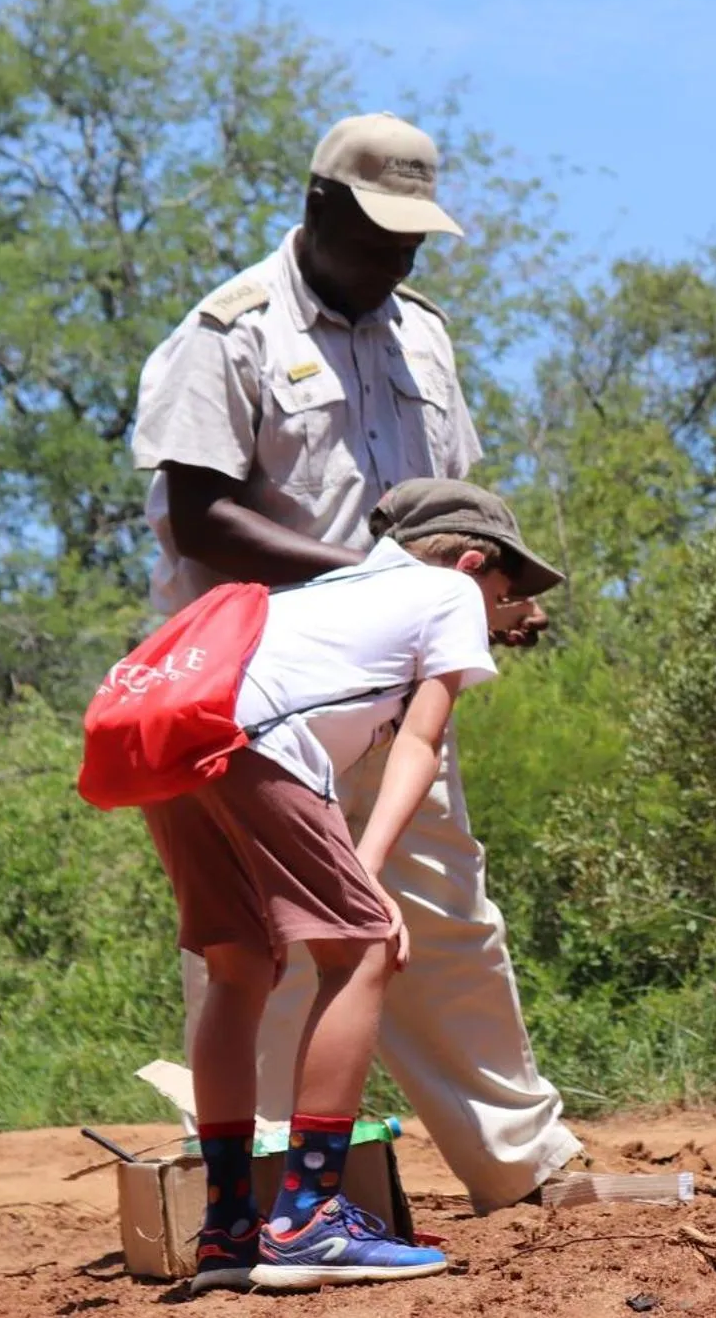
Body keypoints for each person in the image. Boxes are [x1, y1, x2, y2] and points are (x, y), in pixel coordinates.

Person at [129, 111, 581, 1213]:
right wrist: (380, 588)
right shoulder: (224, 333)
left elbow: (455, 506)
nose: (396, 262)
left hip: (392, 689)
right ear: (318, 206)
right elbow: (198, 516)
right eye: (379, 238)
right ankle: (271, 1186)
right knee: (267, 948)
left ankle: (522, 1172)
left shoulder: (420, 334)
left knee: (449, 918)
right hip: (259, 697)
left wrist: (478, 601)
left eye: (413, 243)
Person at [143, 478, 563, 1291]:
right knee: (363, 951)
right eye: (501, 593)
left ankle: (230, 1228)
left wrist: (354, 882)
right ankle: (308, 1218)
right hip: (254, 741)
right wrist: (368, 888)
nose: (499, 610)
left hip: (176, 745)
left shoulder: (329, 589)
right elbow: (419, 745)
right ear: (469, 561)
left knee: (241, 967)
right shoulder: (443, 591)